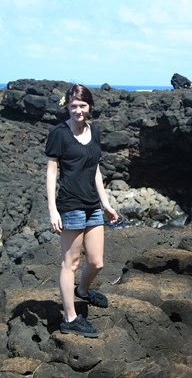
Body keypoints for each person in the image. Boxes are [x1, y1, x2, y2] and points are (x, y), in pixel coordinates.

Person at [45, 84, 118, 338]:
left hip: (92, 206)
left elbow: (94, 168)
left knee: (96, 262)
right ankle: (70, 318)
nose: (77, 110)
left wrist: (106, 203)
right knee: (70, 263)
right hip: (70, 205)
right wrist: (53, 209)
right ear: (67, 106)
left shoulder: (94, 131)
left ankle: (83, 292)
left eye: (82, 105)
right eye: (73, 105)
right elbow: (52, 172)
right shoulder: (59, 134)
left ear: (90, 107)